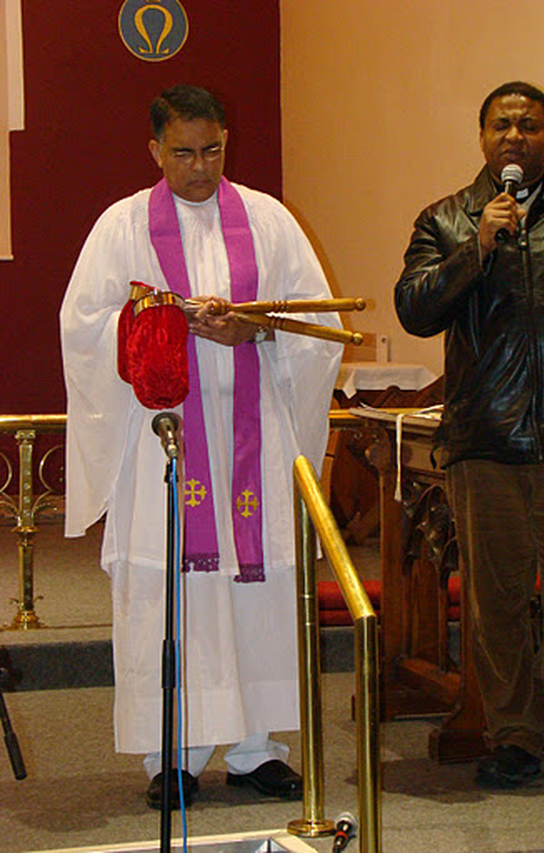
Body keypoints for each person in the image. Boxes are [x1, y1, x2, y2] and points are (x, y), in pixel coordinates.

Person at [60, 84, 342, 808]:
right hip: (166, 444)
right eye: (182, 152)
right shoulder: (121, 226)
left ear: (226, 142)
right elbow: (84, 325)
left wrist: (258, 327)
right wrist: (162, 317)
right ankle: (171, 756)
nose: (198, 166)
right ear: (154, 148)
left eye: (212, 149)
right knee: (172, 595)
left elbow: (317, 324)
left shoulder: (269, 221)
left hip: (252, 441)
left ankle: (257, 750)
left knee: (257, 593)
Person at [395, 81, 544, 790]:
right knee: (495, 601)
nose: (514, 136)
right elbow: (415, 308)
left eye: (529, 125)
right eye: (501, 125)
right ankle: (512, 735)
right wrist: (476, 247)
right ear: (481, 138)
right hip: (488, 440)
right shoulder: (446, 219)